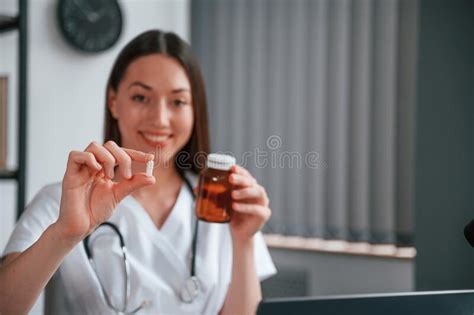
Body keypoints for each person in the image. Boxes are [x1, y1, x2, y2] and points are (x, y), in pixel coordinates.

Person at [0, 30, 276, 315]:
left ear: (195, 110)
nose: (159, 118)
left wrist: (243, 241)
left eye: (178, 102)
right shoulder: (63, 200)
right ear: (113, 101)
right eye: (141, 98)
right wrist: (64, 234)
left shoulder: (219, 200)